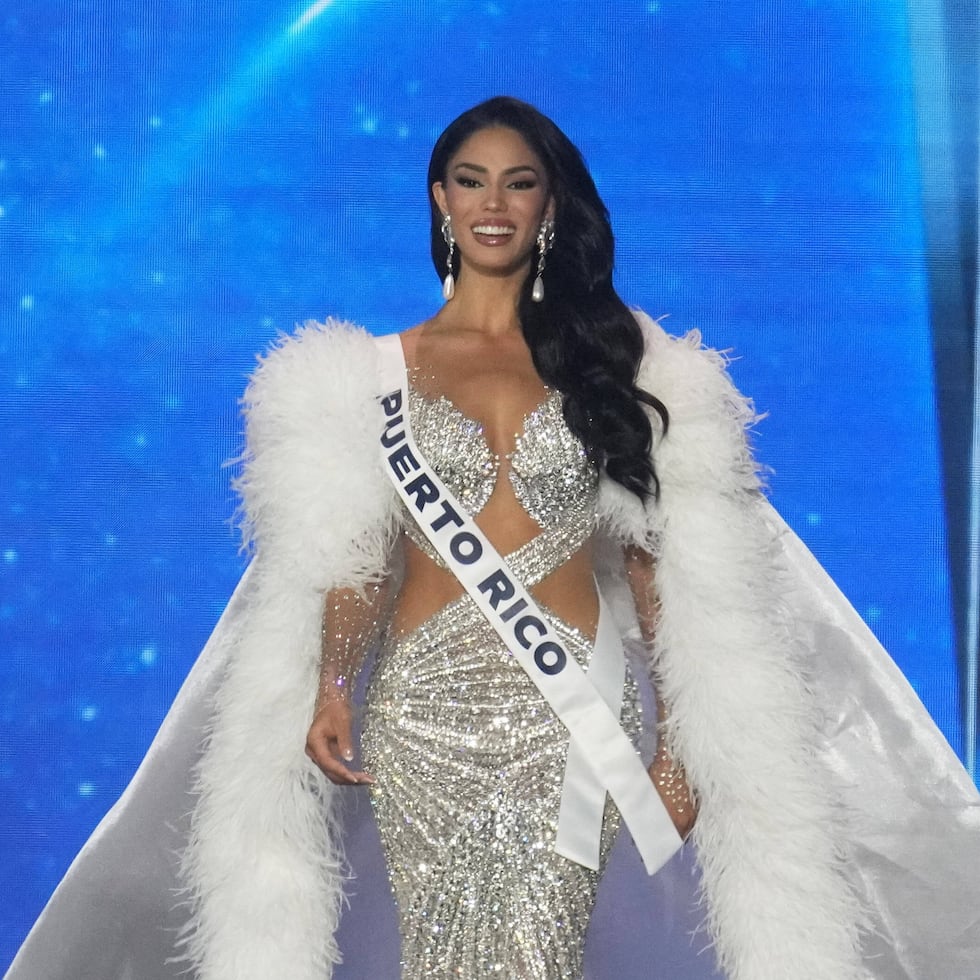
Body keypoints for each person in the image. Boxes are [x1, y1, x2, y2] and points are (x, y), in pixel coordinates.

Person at [8, 97, 980, 980]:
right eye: (470, 180)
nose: (492, 202)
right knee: (444, 953)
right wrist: (333, 682)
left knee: (535, 948)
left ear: (548, 205)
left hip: (569, 715)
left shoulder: (611, 365)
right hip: (421, 712)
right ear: (438, 198)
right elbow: (354, 548)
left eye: (518, 182)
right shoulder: (373, 373)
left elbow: (658, 563)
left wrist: (681, 746)